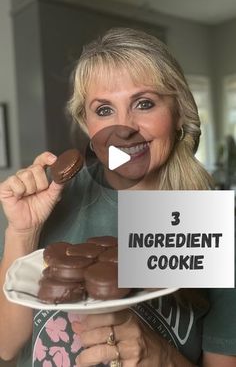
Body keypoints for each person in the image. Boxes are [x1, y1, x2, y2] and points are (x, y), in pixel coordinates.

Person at [0, 27, 235, 367]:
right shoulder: (52, 199)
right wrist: (22, 231)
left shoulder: (207, 224)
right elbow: (6, 345)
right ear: (86, 122)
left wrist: (161, 355)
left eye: (144, 103)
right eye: (104, 110)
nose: (123, 129)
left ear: (179, 113)